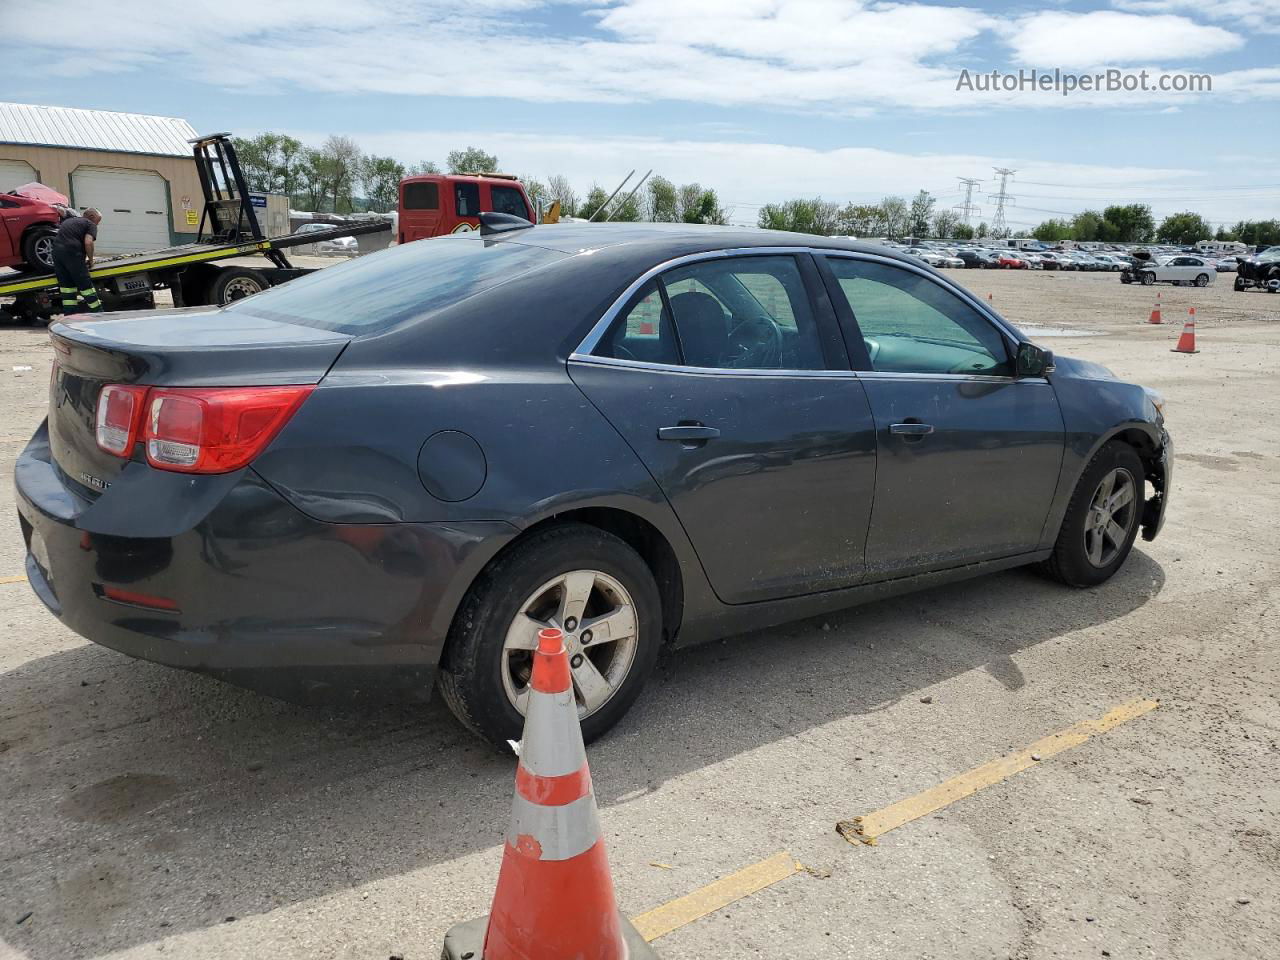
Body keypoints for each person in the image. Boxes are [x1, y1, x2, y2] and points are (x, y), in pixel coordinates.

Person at [52, 208, 103, 315]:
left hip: (56, 253)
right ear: (92, 217)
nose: (97, 225)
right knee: (85, 285)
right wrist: (91, 260)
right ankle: (99, 314)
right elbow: (88, 242)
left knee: (67, 287)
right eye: (98, 221)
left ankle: (69, 316)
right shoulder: (90, 224)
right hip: (72, 253)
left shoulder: (69, 221)